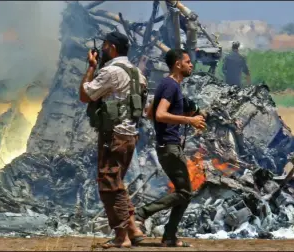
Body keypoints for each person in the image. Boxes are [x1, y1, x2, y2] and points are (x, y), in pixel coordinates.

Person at [79, 31, 147, 249]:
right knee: (117, 183)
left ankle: (121, 236)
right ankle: (134, 229)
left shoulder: (110, 72)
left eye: (105, 46)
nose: (103, 49)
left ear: (113, 48)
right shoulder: (138, 73)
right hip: (130, 135)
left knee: (108, 185)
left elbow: (85, 95)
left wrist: (91, 66)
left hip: (114, 135)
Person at [135, 49, 206, 247]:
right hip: (170, 146)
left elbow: (148, 113)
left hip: (166, 145)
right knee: (185, 193)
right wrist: (189, 120)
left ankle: (169, 237)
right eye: (188, 62)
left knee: (184, 192)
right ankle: (143, 213)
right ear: (177, 64)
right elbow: (159, 114)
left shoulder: (165, 85)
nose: (191, 65)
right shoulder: (171, 86)